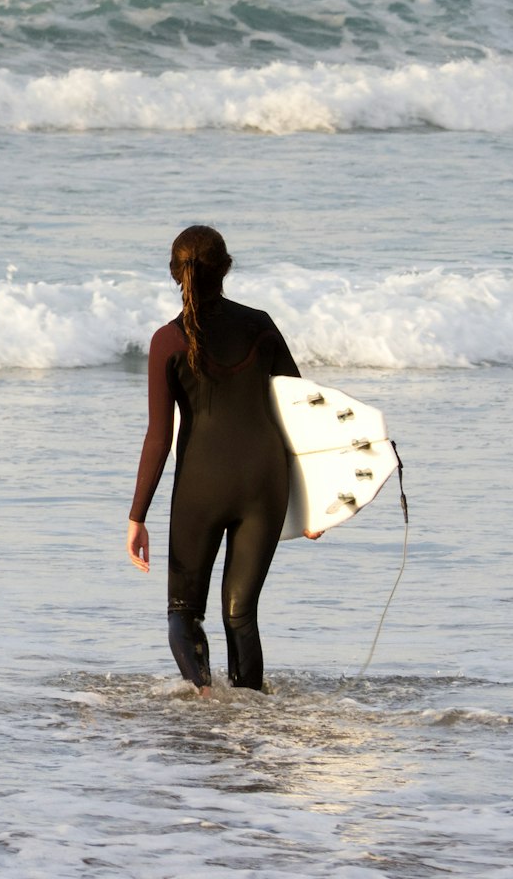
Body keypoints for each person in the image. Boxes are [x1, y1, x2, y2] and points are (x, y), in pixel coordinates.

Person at [125, 225, 310, 693]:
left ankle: (207, 703)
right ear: (226, 268)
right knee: (240, 614)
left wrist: (137, 516)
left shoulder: (168, 340)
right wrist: (316, 501)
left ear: (174, 274)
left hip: (199, 489)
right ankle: (253, 723)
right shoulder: (261, 324)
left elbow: (160, 436)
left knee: (183, 616)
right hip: (264, 487)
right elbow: (303, 409)